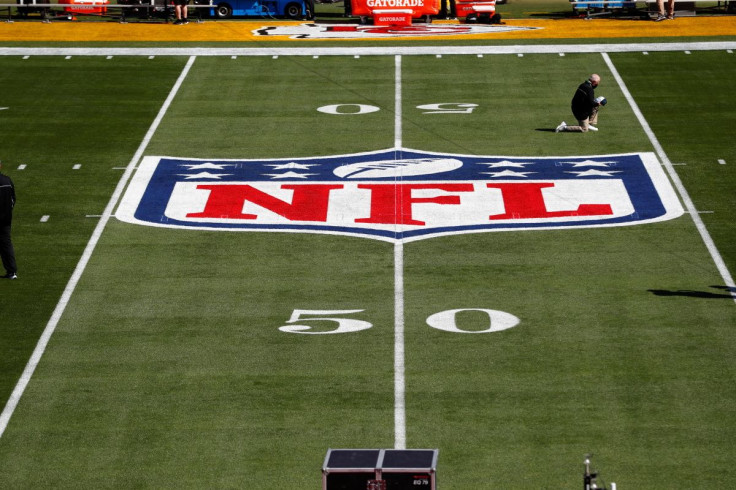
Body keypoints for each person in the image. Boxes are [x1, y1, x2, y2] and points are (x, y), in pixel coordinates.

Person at [0, 160, 17, 280]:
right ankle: (11, 272)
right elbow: (13, 199)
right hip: (6, 220)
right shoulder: (7, 180)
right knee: (6, 245)